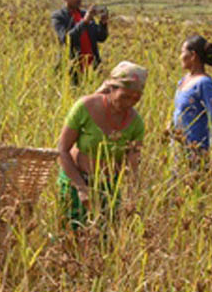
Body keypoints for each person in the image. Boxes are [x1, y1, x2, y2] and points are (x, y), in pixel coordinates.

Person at [56, 62, 146, 229]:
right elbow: (62, 149)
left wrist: (132, 195)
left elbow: (133, 163)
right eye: (125, 96)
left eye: (136, 98)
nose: (130, 103)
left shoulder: (136, 123)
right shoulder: (85, 107)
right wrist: (81, 188)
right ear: (111, 89)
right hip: (75, 181)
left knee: (105, 239)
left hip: (108, 188)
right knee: (71, 236)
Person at [172, 35, 212, 161]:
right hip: (179, 147)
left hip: (197, 150)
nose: (180, 57)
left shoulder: (204, 83)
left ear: (193, 55)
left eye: (182, 52)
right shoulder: (183, 80)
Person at [51, 0, 109, 85]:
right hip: (72, 70)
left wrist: (103, 23)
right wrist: (85, 22)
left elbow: (101, 37)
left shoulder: (84, 14)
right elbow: (66, 38)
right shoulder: (59, 17)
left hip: (92, 69)